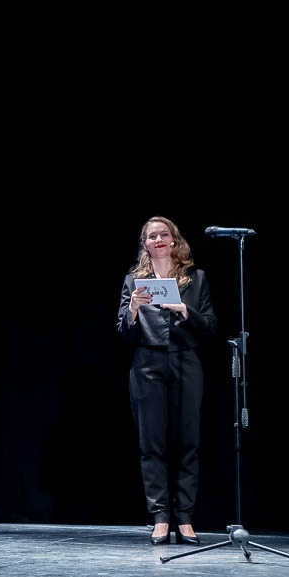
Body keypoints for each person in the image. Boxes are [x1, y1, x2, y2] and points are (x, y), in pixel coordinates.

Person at [117, 216, 217, 546]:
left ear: (174, 240)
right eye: (151, 236)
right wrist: (131, 310)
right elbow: (124, 332)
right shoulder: (134, 280)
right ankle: (160, 516)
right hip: (147, 365)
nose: (158, 240)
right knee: (152, 444)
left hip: (186, 362)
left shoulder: (195, 279)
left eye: (163, 234)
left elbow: (211, 327)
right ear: (145, 245)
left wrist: (185, 311)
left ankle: (185, 518)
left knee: (188, 442)